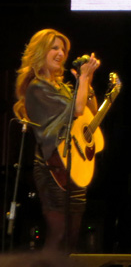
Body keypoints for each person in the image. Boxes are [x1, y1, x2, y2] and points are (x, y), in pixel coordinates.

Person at [13, 29, 100, 251]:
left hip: (73, 165)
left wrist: (87, 82)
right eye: (54, 48)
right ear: (40, 52)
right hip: (52, 167)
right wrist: (82, 79)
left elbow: (89, 112)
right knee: (59, 234)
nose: (61, 53)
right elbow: (76, 110)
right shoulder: (37, 87)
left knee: (72, 236)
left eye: (63, 49)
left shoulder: (62, 87)